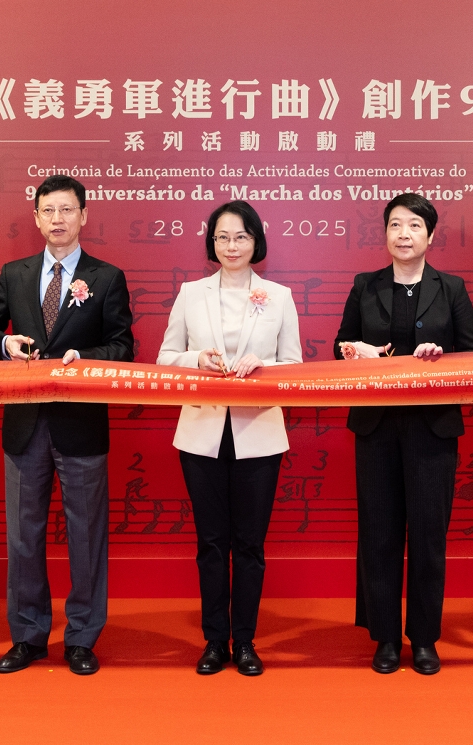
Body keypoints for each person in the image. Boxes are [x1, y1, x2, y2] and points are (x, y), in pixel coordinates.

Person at [0, 175, 134, 676]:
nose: (58, 219)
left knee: (86, 536)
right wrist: (6, 344)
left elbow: (123, 346)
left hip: (80, 422)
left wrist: (83, 357)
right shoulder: (14, 273)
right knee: (24, 535)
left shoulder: (106, 277)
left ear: (84, 216)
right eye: (49, 211)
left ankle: (82, 637)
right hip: (25, 421)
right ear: (37, 218)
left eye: (67, 210)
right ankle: (28, 635)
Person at [334, 193, 473, 675]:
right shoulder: (366, 285)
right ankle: (384, 637)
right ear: (385, 234)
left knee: (427, 536)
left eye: (415, 225)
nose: (404, 234)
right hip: (376, 426)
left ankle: (423, 638)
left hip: (432, 429)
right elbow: (341, 347)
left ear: (430, 235)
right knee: (378, 533)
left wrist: (443, 357)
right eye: (395, 225)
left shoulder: (451, 287)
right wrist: (357, 350)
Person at [156, 201, 302, 676]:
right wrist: (196, 359)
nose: (231, 246)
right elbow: (166, 358)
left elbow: (294, 366)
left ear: (256, 241)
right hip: (202, 433)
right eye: (222, 237)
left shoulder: (278, 296)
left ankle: (246, 641)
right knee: (212, 542)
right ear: (211, 242)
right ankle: (215, 640)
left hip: (258, 433)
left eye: (241, 237)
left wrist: (264, 366)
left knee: (250, 544)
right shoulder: (190, 293)